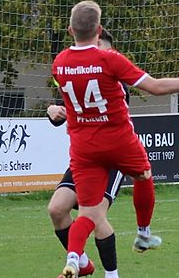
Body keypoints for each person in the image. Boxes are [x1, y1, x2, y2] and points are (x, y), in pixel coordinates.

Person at [53, 1, 179, 278]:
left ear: (71, 30)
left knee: (88, 213)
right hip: (118, 140)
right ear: (99, 30)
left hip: (84, 147)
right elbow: (156, 87)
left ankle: (74, 258)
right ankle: (143, 234)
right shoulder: (110, 59)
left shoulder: (59, 63)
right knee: (143, 175)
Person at [47, 29, 125, 277]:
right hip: (85, 158)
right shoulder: (79, 77)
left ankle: (112, 275)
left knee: (94, 216)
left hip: (112, 159)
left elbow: (94, 111)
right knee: (57, 209)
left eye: (100, 47)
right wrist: (53, 111)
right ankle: (82, 263)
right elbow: (72, 107)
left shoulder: (115, 80)